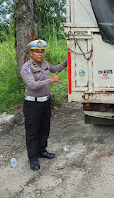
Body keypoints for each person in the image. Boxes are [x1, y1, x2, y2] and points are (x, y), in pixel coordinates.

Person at [20, 39, 68, 170]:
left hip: (45, 102)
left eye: (42, 51)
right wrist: (51, 80)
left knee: (44, 128)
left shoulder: (45, 64)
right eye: (37, 51)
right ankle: (33, 158)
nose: (40, 54)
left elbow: (57, 68)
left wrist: (68, 58)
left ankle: (42, 151)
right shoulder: (26, 68)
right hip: (32, 104)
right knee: (32, 131)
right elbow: (32, 85)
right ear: (31, 53)